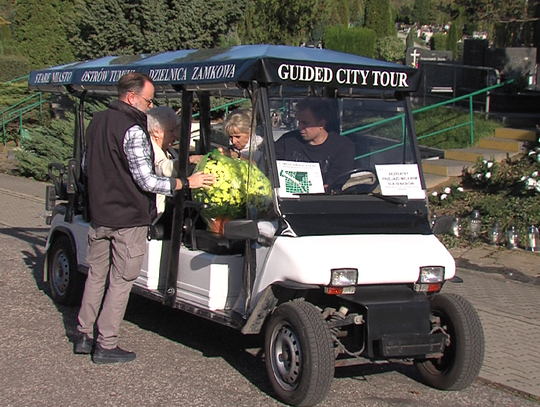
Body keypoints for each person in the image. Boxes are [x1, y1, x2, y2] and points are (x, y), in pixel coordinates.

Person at [75, 73, 215, 364]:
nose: (149, 107)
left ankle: (84, 334)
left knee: (96, 275)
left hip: (100, 216)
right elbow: (147, 181)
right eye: (148, 101)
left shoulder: (97, 121)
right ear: (131, 97)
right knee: (121, 280)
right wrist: (186, 183)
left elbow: (88, 167)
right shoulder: (133, 130)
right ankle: (106, 343)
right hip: (128, 218)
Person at [274, 97, 355, 189]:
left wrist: (328, 186)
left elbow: (338, 175)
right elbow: (271, 167)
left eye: (305, 123)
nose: (300, 127)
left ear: (321, 124)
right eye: (299, 122)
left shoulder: (342, 146)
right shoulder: (287, 141)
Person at [147, 106, 180, 218]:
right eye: (171, 131)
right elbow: (163, 168)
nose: (175, 135)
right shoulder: (149, 150)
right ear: (156, 132)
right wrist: (189, 161)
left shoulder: (169, 150)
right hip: (152, 217)